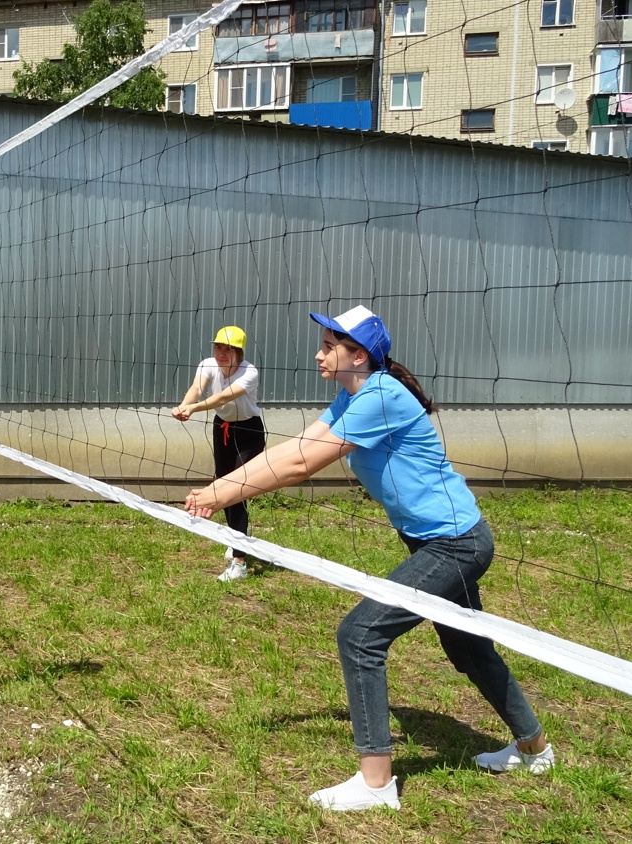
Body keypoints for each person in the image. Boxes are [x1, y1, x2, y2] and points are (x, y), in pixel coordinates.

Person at [185, 305, 554, 810]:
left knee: (360, 634)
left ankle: (376, 784)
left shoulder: (380, 396)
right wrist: (218, 487)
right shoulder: (353, 395)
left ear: (358, 354)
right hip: (435, 541)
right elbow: (299, 445)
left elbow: (298, 465)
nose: (318, 354)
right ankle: (534, 749)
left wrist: (218, 494)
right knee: (468, 650)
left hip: (456, 544)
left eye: (328, 346)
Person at [171, 326, 267, 581]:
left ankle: (240, 561)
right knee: (222, 485)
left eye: (228, 349)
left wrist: (193, 409)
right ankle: (237, 535)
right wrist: (183, 405)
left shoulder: (249, 371)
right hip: (222, 428)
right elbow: (196, 388)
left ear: (239, 352)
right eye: (218, 347)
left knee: (236, 490)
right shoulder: (207, 364)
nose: (221, 353)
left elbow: (223, 397)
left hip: (248, 432)